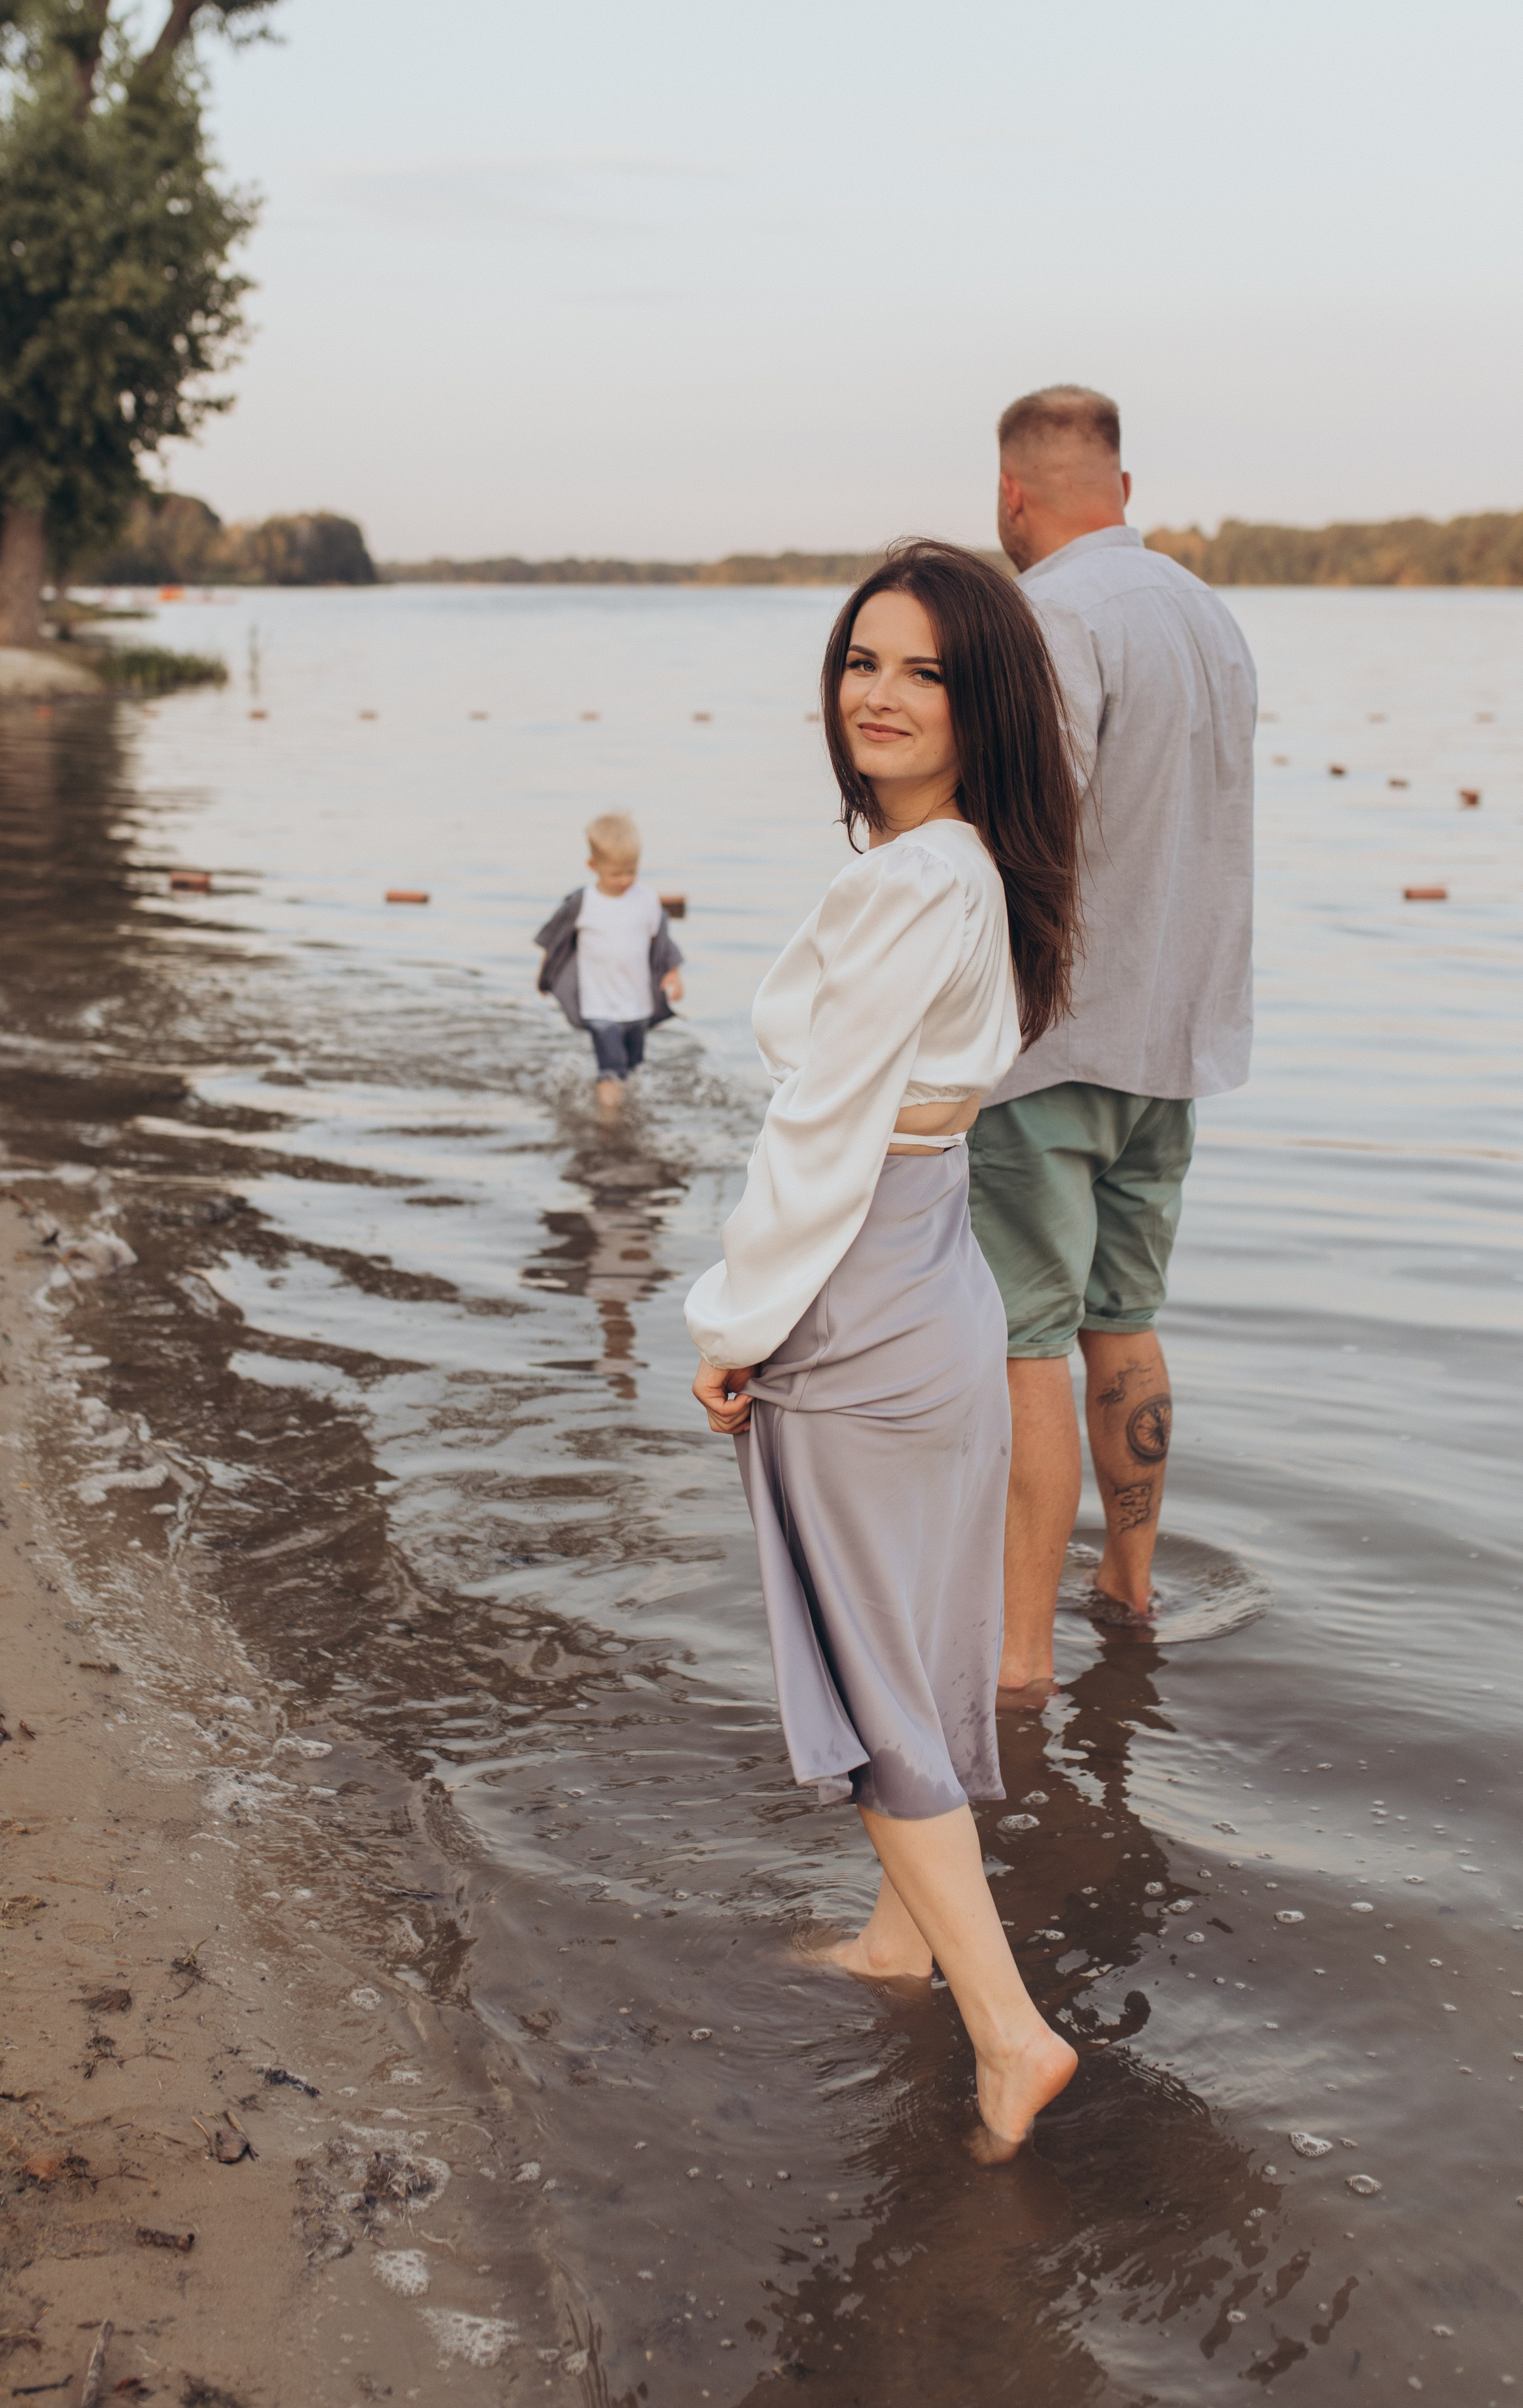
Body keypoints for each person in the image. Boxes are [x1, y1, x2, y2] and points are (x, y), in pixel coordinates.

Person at [685, 541, 1084, 2158]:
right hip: (936, 1286)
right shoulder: (972, 869)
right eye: (862, 660)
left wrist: (729, 1324)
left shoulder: (909, 881)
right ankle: (898, 1940)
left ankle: (1008, 2029)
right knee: (915, 1647)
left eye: (921, 669)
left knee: (863, 1683)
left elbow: (820, 1136)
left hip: (858, 1300)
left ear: (979, 700)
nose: (878, 693)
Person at [970, 385, 1257, 1702]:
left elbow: (1040, 819)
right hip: (1178, 1037)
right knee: (1125, 1324)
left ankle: (1021, 1659)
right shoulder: (1213, 616)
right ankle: (1129, 1593)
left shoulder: (1048, 616)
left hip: (1057, 1039)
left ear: (1014, 498)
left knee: (1028, 1341)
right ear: (1123, 490)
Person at [534, 812, 683, 1117]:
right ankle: (609, 1123)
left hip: (638, 1003)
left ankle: (628, 1111)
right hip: (599, 1004)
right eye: (615, 874)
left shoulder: (647, 900)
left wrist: (673, 974)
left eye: (631, 872)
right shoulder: (583, 902)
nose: (624, 880)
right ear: (594, 866)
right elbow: (555, 940)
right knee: (611, 1068)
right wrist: (545, 976)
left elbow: (663, 942)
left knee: (634, 1067)